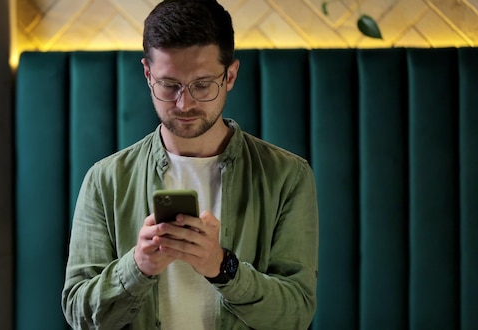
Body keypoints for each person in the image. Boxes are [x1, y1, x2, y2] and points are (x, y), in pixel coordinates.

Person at [61, 0, 319, 329]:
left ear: (230, 76)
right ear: (147, 74)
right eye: (170, 86)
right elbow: (78, 313)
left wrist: (222, 267)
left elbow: (296, 313)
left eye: (201, 85)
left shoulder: (288, 177)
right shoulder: (105, 180)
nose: (185, 103)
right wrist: (137, 266)